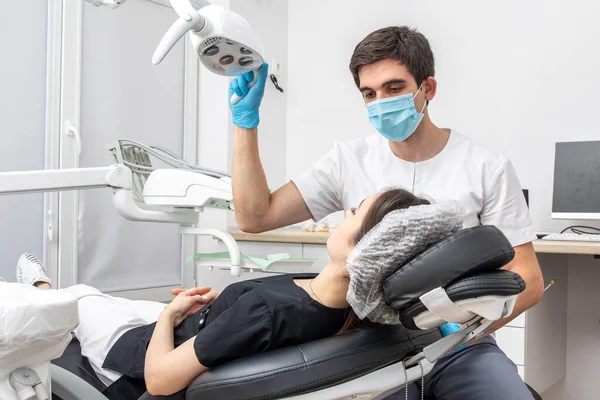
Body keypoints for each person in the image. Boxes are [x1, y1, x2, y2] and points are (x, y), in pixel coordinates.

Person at [228, 26, 543, 399]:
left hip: (462, 346)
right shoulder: (348, 160)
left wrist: (463, 331)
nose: (380, 102)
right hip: (372, 347)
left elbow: (528, 278)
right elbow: (255, 216)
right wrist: (244, 125)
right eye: (369, 93)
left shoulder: (485, 167)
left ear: (428, 89)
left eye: (393, 88)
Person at [6, 188, 430, 400]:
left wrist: (170, 316)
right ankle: (47, 289)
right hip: (195, 326)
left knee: (78, 299)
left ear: (364, 250)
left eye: (353, 212)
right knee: (98, 295)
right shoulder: (353, 309)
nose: (344, 214)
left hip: (139, 353)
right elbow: (243, 326)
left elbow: (158, 380)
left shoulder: (268, 312)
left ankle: (42, 289)